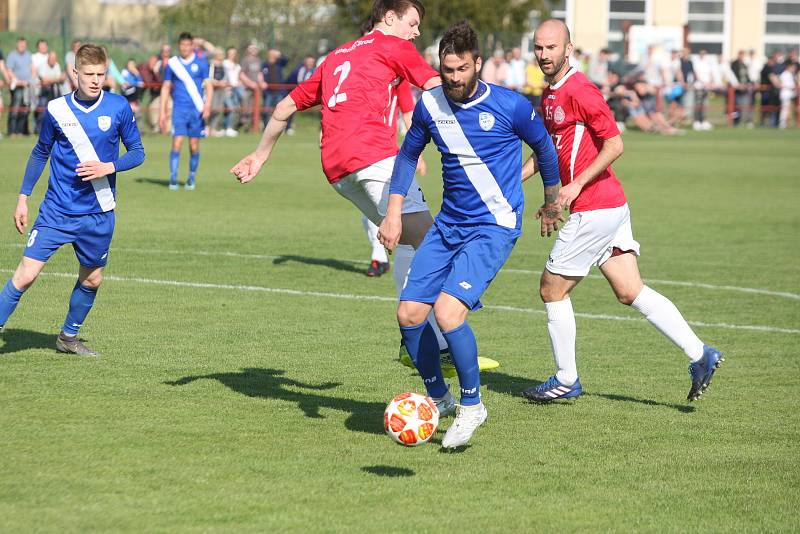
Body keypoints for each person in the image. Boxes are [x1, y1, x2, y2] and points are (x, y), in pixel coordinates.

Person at [231, 0, 469, 373]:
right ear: (389, 18)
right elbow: (439, 83)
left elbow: (283, 108)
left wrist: (260, 156)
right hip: (372, 156)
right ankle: (426, 340)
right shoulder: (393, 45)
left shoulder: (335, 56)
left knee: (410, 238)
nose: (416, 32)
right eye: (413, 22)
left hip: (337, 170)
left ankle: (419, 339)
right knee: (434, 240)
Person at [378, 21, 560, 448]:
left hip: (493, 226)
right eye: (447, 70)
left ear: (478, 64)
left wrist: (552, 201)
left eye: (461, 69)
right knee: (408, 316)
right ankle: (438, 397)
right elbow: (406, 157)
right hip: (449, 224)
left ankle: (472, 405)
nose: (454, 78)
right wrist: (392, 212)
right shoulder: (430, 105)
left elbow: (546, 150)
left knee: (448, 313)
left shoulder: (510, 106)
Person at [521, 19, 723, 404]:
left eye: (551, 47)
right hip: (611, 206)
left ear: (569, 49)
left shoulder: (581, 90)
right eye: (539, 48)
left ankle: (566, 379)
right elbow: (548, 148)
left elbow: (614, 144)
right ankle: (701, 355)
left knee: (551, 289)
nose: (544, 54)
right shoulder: (550, 94)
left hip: (593, 207)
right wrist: (515, 180)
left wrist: (576, 184)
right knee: (631, 290)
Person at [0, 44, 144, 355]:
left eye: (101, 74)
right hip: (57, 211)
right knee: (25, 275)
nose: (95, 80)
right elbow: (40, 152)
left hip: (98, 212)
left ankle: (67, 338)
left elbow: (138, 153)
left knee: (92, 280)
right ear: (74, 73)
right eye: (89, 74)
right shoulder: (56, 110)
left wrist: (109, 166)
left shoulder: (118, 107)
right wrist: (23, 197)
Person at [159, 32, 213, 190]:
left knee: (194, 145)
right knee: (177, 143)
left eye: (188, 45)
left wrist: (208, 105)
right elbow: (166, 87)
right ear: (179, 45)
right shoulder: (172, 64)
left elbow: (208, 85)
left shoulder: (201, 63)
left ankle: (191, 177)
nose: (185, 48)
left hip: (197, 110)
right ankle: (173, 178)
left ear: (192, 46)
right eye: (182, 45)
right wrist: (162, 111)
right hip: (179, 110)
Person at [6, 37, 33, 136]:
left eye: (24, 44)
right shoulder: (12, 55)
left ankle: (20, 131)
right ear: (17, 44)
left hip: (27, 86)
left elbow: (32, 68)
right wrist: (19, 81)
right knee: (15, 109)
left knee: (25, 109)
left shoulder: (28, 55)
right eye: (21, 44)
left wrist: (31, 80)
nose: (22, 46)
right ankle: (11, 131)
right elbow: (9, 70)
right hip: (17, 86)